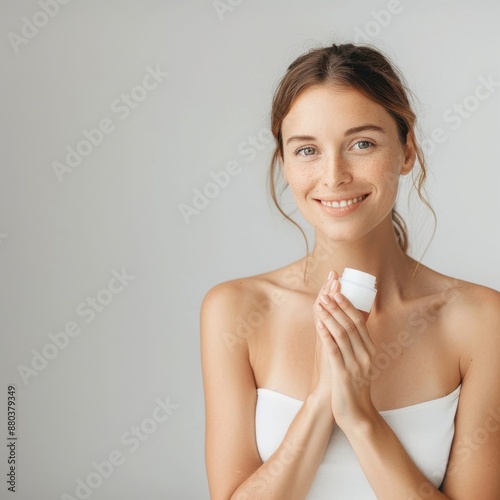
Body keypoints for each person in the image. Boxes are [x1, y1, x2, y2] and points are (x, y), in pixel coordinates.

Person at [200, 43, 500, 499]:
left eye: (362, 144)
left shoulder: (481, 320)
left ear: (405, 151)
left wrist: (360, 417)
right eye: (307, 150)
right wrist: (322, 401)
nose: (334, 175)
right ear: (284, 162)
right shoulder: (237, 310)